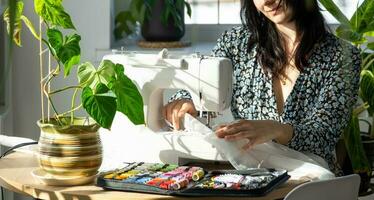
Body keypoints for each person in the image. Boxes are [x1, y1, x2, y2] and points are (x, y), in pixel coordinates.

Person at [162, 0, 360, 176]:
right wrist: (187, 99)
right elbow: (203, 83)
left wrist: (277, 130)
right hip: (253, 175)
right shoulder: (237, 43)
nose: (267, 2)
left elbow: (324, 134)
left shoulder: (342, 57)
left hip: (310, 180)